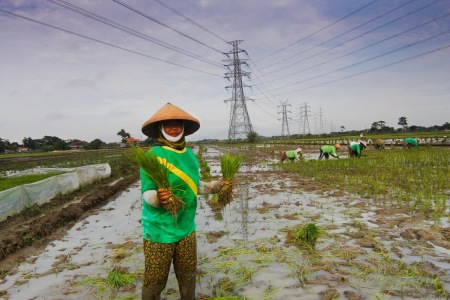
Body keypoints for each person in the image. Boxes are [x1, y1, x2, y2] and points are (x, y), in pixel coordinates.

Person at [139, 102, 228, 300]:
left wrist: (214, 187)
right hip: (159, 230)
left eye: (178, 124)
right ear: (161, 128)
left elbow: (193, 185)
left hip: (187, 227)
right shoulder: (154, 155)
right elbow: (147, 193)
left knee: (188, 274)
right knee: (155, 280)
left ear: (184, 127)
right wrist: (159, 199)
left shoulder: (189, 155)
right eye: (169, 125)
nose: (174, 128)